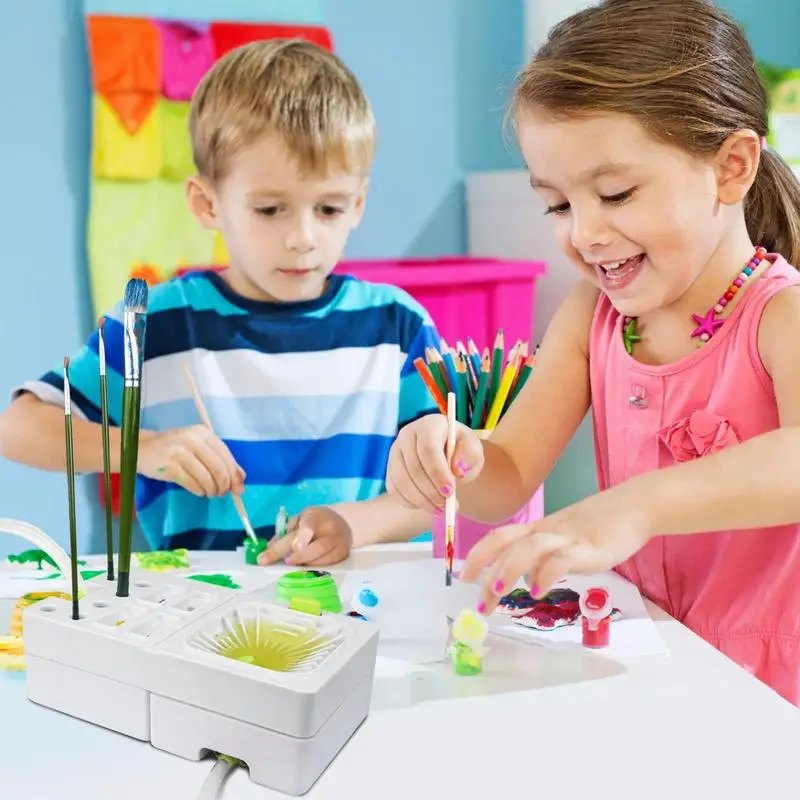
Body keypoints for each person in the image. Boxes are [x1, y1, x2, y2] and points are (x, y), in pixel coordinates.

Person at [384, 0, 800, 705]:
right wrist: (453, 451)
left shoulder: (779, 315)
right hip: (643, 657)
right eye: (558, 204)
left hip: (769, 682)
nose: (585, 233)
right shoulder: (595, 315)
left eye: (615, 193)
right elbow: (509, 473)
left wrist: (636, 507)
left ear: (731, 168)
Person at [0, 39, 438, 566]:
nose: (303, 237)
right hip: (201, 619)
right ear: (207, 203)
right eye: (271, 209)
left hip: (366, 610)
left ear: (359, 203)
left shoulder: (395, 326)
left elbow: (446, 489)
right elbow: (19, 429)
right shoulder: (153, 325)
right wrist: (145, 448)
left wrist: (354, 525)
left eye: (328, 208)